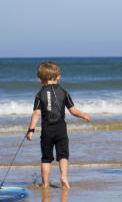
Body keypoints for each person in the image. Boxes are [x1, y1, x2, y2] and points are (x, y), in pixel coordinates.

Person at [26, 61, 90, 189]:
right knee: (63, 155)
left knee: (46, 158)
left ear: (39, 79)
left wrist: (31, 130)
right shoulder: (64, 92)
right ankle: (64, 177)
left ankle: (45, 183)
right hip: (61, 129)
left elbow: (36, 114)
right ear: (58, 77)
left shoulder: (39, 95)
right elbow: (72, 110)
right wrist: (84, 115)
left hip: (47, 131)